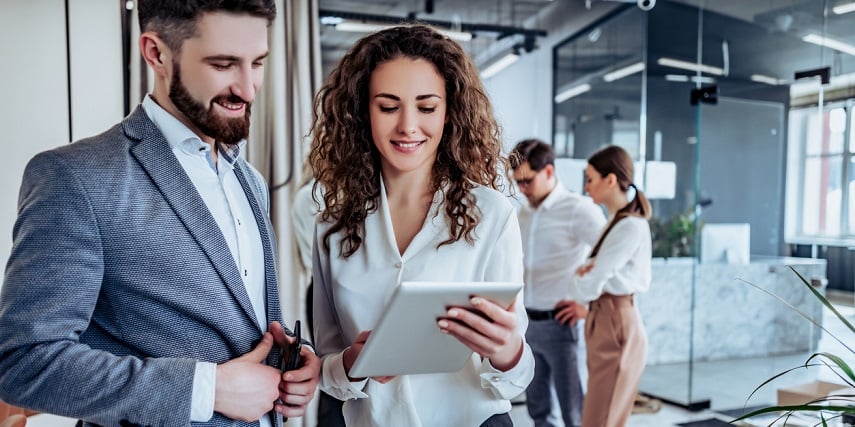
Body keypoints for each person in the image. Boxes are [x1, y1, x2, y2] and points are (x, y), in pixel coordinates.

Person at [0, 1, 320, 426]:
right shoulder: (75, 177)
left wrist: (293, 365)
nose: (248, 88)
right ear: (156, 54)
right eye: (224, 65)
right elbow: (24, 362)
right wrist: (206, 389)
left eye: (257, 62)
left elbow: (236, 323)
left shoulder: (250, 180)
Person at [308, 24, 535, 427]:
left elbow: (516, 378)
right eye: (388, 106)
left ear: (450, 113)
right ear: (363, 110)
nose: (408, 126)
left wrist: (507, 351)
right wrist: (351, 364)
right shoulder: (332, 225)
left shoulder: (493, 213)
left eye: (427, 107)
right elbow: (328, 369)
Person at [510, 139, 606, 427]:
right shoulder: (523, 212)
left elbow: (611, 261)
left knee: (574, 412)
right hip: (528, 324)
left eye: (527, 180)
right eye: (518, 182)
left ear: (549, 172)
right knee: (538, 411)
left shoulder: (579, 209)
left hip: (562, 325)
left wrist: (588, 306)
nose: (522, 189)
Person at [570, 145, 652, 427]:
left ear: (611, 180)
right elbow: (590, 277)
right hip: (607, 315)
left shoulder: (629, 226)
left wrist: (581, 276)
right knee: (602, 414)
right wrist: (584, 275)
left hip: (615, 318)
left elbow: (589, 284)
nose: (586, 186)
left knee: (602, 417)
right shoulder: (615, 223)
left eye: (590, 179)